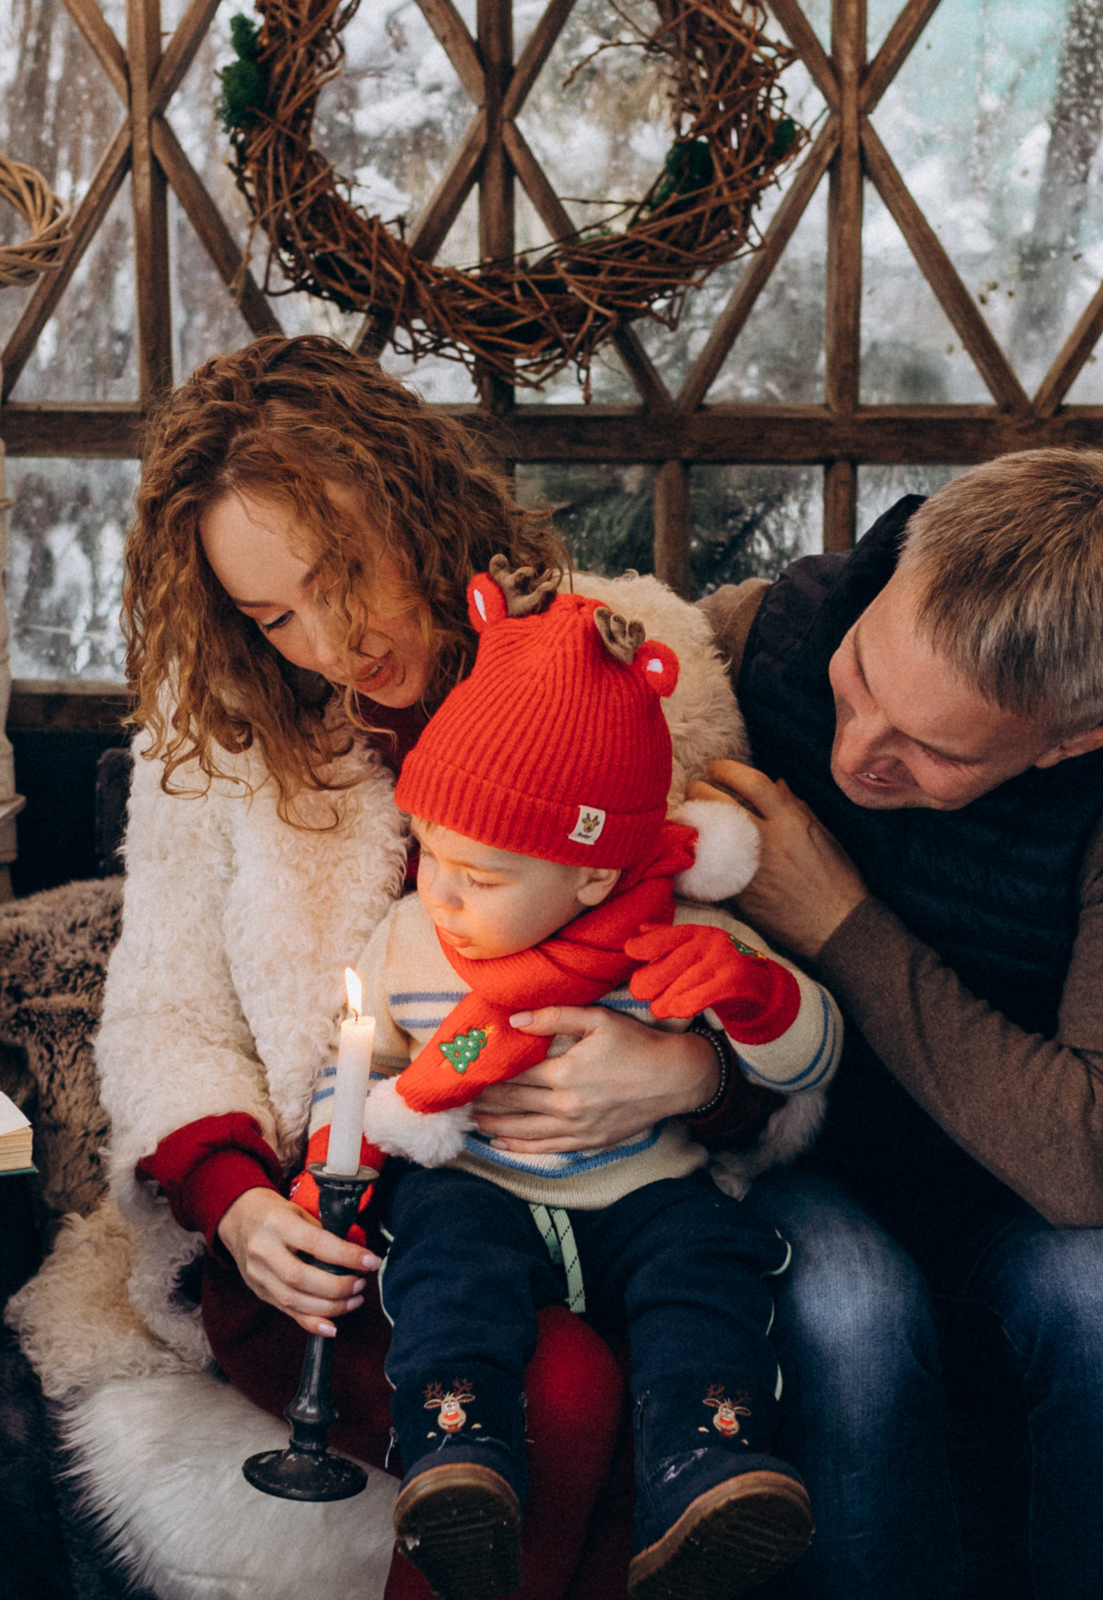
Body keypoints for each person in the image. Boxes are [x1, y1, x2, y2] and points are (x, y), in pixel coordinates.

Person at [4, 334, 825, 1600]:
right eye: (274, 616)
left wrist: (688, 1074)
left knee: (647, 1376)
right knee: (556, 1387)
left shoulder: (620, 655)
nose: (333, 640)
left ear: (411, 502)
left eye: (342, 576)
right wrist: (238, 1203)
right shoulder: (217, 740)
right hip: (339, 1234)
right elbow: (166, 1017)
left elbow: (723, 941)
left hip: (621, 1204)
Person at [687, 450, 1103, 1600]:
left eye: (933, 751)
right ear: (896, 567)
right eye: (860, 676)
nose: (855, 753)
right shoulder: (769, 632)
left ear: (1068, 740)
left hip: (1012, 1190)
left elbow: (1098, 1157)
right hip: (786, 1155)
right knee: (850, 1305)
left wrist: (836, 920)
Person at [308, 559, 840, 1600]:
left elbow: (813, 1055)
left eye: (483, 876)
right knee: (445, 1261)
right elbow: (359, 1060)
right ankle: (459, 1456)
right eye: (430, 854)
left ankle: (708, 1467)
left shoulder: (680, 935)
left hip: (646, 1190)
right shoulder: (410, 942)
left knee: (708, 1272)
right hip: (481, 1183)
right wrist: (333, 1167)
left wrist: (756, 999)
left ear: (593, 871)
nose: (441, 894)